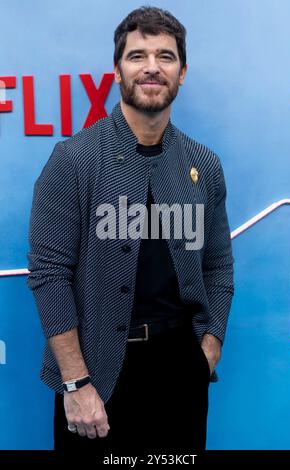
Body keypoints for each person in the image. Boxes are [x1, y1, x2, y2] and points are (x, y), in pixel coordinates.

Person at [27, 5, 234, 460]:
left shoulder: (205, 164)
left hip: (180, 368)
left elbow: (218, 265)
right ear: (118, 71)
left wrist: (209, 346)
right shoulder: (74, 160)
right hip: (96, 368)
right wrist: (76, 382)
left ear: (183, 73)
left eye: (166, 56)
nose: (152, 68)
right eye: (137, 56)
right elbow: (48, 274)